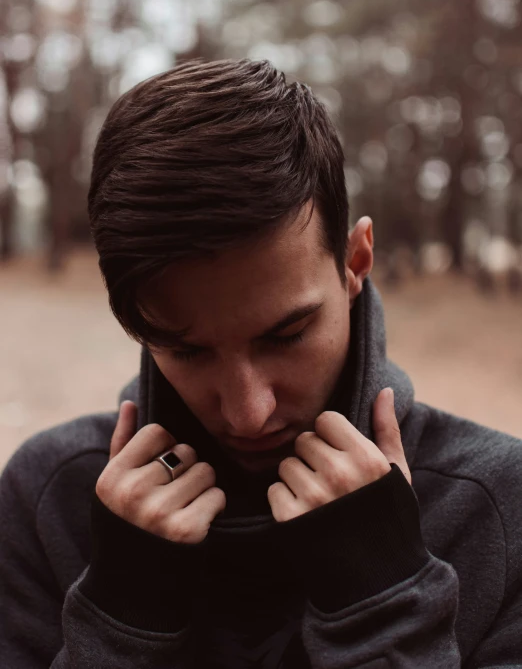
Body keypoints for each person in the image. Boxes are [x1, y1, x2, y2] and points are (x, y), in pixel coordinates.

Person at [1, 59, 521, 669]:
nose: (249, 414)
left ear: (355, 261)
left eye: (287, 335)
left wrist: (385, 608)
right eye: (188, 350)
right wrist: (118, 621)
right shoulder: (48, 503)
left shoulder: (500, 510)